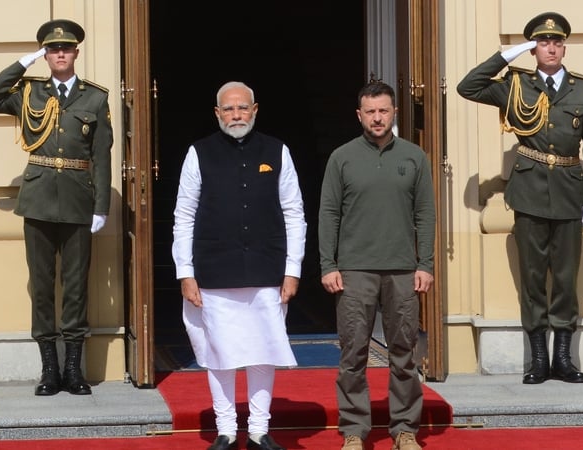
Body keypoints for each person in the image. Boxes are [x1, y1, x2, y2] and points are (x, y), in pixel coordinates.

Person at [457, 12, 583, 385]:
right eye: (541, 43)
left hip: (570, 194)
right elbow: (468, 87)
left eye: (555, 43)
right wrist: (508, 54)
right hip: (529, 194)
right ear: (534, 49)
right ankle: (538, 359)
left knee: (567, 279)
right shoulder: (515, 86)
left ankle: (563, 360)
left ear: (564, 47)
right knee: (534, 277)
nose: (550, 48)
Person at [0, 19, 113, 396]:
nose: (59, 54)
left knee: (75, 287)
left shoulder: (95, 98)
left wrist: (101, 205)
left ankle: (73, 370)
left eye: (65, 49)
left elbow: (101, 157)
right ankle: (49, 371)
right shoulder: (28, 92)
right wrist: (23, 63)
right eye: (52, 50)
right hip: (37, 201)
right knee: (41, 287)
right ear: (46, 54)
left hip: (77, 201)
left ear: (76, 53)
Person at [172, 81, 307, 450]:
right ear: (217, 113)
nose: (236, 115)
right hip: (214, 272)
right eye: (228, 109)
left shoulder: (277, 151)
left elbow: (294, 212)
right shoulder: (198, 153)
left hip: (267, 271)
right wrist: (186, 272)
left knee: (263, 351)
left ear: (255, 110)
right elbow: (183, 215)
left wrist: (292, 269)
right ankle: (227, 429)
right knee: (220, 353)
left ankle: (260, 430)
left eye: (242, 108)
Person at [318, 81, 436, 450]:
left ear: (394, 112)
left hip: (403, 270)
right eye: (370, 112)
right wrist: (328, 264)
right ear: (359, 115)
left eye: (383, 110)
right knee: (353, 353)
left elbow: (426, 213)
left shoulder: (414, 157)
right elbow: (328, 213)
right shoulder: (342, 157)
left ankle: (404, 429)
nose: (377, 118)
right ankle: (354, 430)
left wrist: (426, 263)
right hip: (354, 271)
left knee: (404, 353)